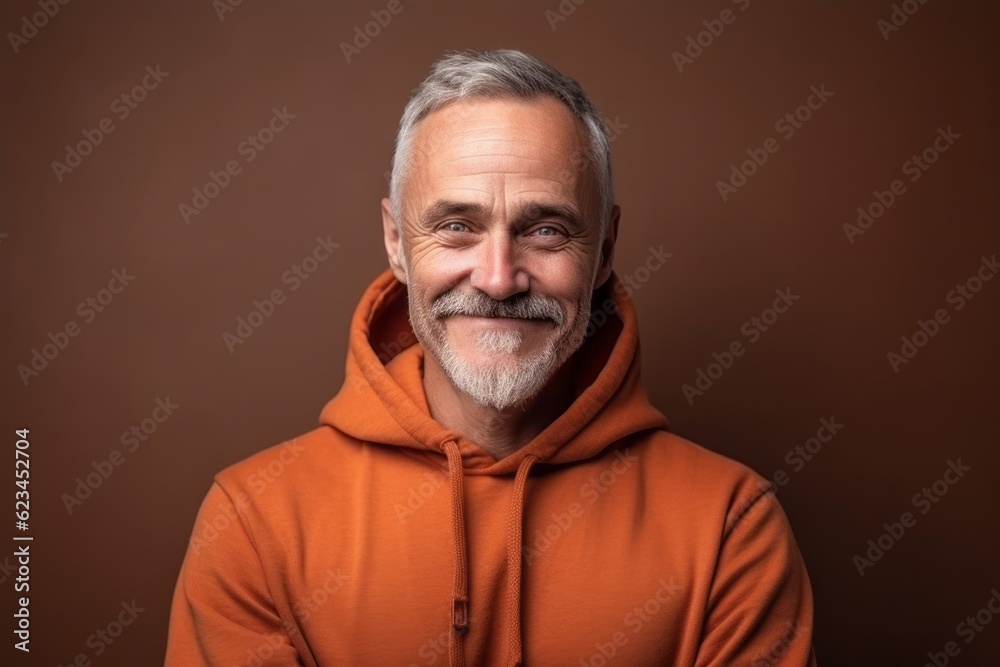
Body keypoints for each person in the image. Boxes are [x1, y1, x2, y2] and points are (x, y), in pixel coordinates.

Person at [165, 48, 817, 666]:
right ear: (396, 241)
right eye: (457, 226)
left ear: (605, 252)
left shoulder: (733, 526)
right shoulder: (253, 521)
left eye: (546, 230)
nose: (499, 278)